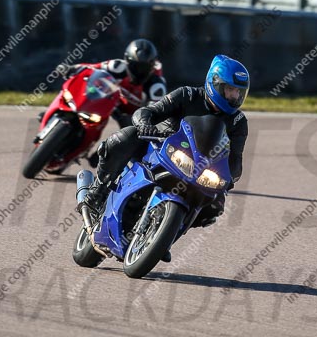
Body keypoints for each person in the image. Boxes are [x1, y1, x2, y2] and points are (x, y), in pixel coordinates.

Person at [81, 54, 250, 255]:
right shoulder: (187, 95)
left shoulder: (238, 121)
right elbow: (149, 111)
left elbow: (235, 160)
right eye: (230, 90)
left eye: (239, 92)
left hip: (199, 170)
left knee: (215, 207)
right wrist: (145, 125)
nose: (234, 97)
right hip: (161, 149)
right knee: (126, 136)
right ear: (215, 83)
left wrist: (229, 178)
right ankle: (98, 190)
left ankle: (165, 234)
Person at [57, 38, 167, 132]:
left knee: (129, 141)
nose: (139, 72)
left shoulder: (157, 87)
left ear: (152, 67)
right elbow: (91, 68)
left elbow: (155, 114)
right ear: (127, 62)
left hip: (133, 116)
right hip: (111, 102)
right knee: (75, 91)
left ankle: (101, 156)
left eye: (144, 68)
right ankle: (57, 110)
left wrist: (139, 121)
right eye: (135, 66)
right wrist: (71, 69)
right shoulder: (117, 66)